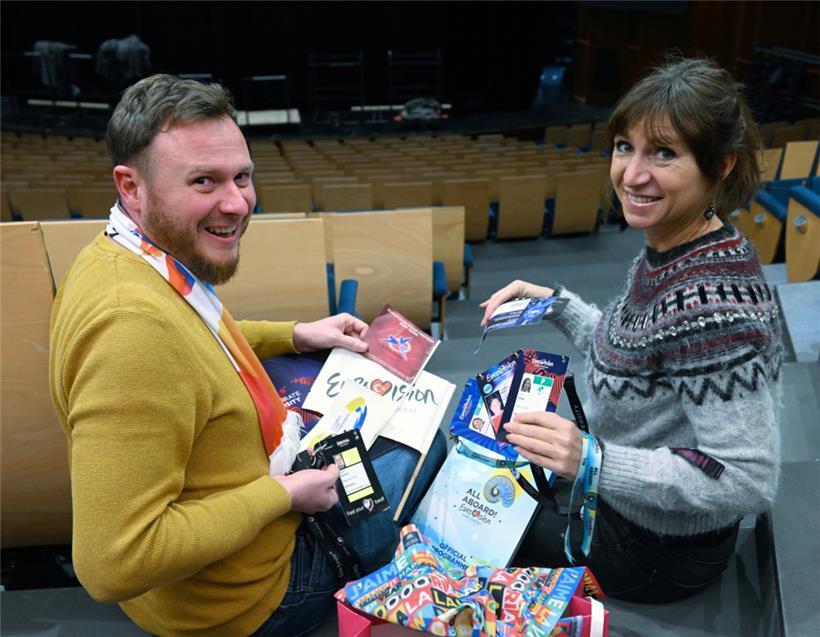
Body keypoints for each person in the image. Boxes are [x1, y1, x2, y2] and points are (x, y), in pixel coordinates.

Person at [49, 74, 446, 637]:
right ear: (131, 187)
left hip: (198, 568)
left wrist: (296, 333)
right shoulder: (129, 332)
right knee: (425, 441)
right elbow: (112, 564)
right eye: (204, 181)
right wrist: (282, 494)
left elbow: (193, 336)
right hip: (243, 600)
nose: (236, 203)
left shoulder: (120, 256)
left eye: (242, 177)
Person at [480, 57, 782, 603]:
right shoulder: (676, 247)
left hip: (654, 553)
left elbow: (745, 477)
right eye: (625, 147)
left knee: (471, 506)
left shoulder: (716, 304)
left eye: (664, 153)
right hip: (621, 507)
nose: (632, 175)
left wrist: (594, 460)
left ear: (720, 166)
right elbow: (636, 350)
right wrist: (555, 304)